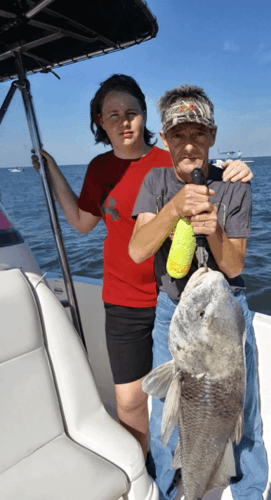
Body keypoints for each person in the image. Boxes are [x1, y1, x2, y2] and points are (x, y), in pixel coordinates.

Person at [31, 74, 253, 461]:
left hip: (173, 298)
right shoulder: (100, 169)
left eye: (131, 112)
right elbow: (83, 223)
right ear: (100, 121)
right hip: (123, 297)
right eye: (113, 114)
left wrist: (234, 169)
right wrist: (51, 172)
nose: (124, 121)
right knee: (131, 400)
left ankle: (190, 464)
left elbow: (201, 165)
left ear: (147, 118)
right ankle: (145, 470)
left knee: (181, 396)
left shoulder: (167, 159)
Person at [129, 84, 267, 499]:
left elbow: (235, 265)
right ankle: (177, 491)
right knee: (165, 420)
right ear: (165, 138)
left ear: (213, 135)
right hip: (174, 313)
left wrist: (217, 231)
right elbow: (137, 249)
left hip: (225, 311)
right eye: (178, 135)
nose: (189, 145)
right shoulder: (154, 181)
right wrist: (175, 208)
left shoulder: (234, 185)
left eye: (199, 134)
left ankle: (251, 489)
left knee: (243, 411)